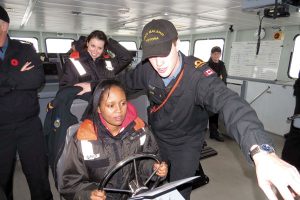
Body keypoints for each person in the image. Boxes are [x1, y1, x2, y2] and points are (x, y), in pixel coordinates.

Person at [118, 19, 300, 200]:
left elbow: (230, 103)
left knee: (179, 194)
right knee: (147, 186)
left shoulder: (199, 76)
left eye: (163, 53)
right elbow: (121, 85)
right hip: (157, 137)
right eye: (152, 56)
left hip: (186, 143)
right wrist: (94, 88)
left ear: (177, 44)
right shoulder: (146, 70)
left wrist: (262, 152)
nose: (158, 63)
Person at [60, 79, 168, 200]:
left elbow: (146, 160)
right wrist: (88, 194)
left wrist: (154, 168)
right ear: (98, 108)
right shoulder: (84, 139)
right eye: (110, 105)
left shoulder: (140, 129)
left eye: (123, 103)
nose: (119, 110)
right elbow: (70, 184)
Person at [0, 6, 53, 200]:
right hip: (1, 128)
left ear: (4, 25)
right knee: (2, 179)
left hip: (29, 126)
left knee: (38, 176)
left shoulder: (25, 49)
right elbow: (23, 80)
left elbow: (36, 79)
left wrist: (5, 81)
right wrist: (16, 76)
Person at [59, 30, 133, 95]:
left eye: (99, 48)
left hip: (109, 103)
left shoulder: (108, 63)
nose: (95, 51)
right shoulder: (73, 63)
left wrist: (108, 42)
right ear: (87, 43)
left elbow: (127, 57)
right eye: (93, 46)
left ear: (104, 48)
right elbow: (65, 90)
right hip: (86, 106)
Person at [207, 46, 228, 142]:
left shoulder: (222, 64)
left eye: (218, 54)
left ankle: (214, 132)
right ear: (211, 54)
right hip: (209, 92)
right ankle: (204, 132)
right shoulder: (207, 65)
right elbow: (209, 78)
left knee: (215, 113)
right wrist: (218, 78)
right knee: (208, 113)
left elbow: (224, 77)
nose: (217, 55)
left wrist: (219, 78)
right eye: (215, 54)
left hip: (220, 92)